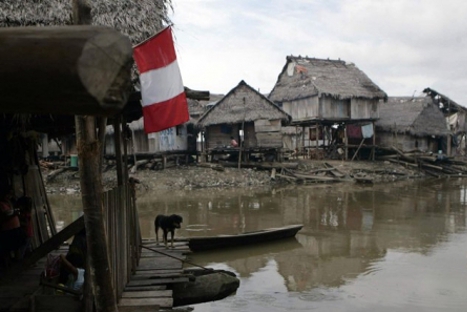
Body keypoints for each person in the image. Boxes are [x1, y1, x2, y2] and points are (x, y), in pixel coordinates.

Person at [0, 192, 26, 266]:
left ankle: (17, 263)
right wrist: (14, 214)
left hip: (16, 228)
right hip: (8, 229)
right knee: (7, 249)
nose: (9, 196)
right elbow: (3, 217)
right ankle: (8, 265)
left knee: (18, 246)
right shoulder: (1, 204)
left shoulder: (9, 202)